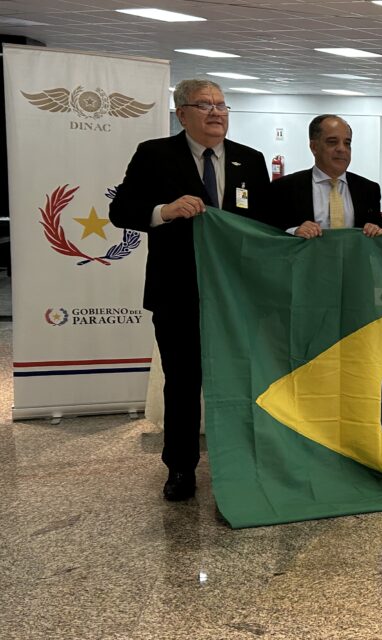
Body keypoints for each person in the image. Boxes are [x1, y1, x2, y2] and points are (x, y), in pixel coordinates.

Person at [108, 78, 269, 501]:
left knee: (240, 378)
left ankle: (243, 459)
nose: (217, 113)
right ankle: (180, 468)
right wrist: (165, 211)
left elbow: (268, 222)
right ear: (181, 114)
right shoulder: (155, 154)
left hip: (237, 295)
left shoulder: (249, 161)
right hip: (178, 291)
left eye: (221, 105)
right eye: (204, 105)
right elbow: (120, 210)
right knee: (182, 381)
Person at [266, 114, 382, 238]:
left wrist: (376, 230)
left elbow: (378, 235)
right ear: (314, 147)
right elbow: (268, 234)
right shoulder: (284, 188)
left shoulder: (369, 190)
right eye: (332, 142)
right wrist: (294, 231)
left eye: (347, 143)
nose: (342, 149)